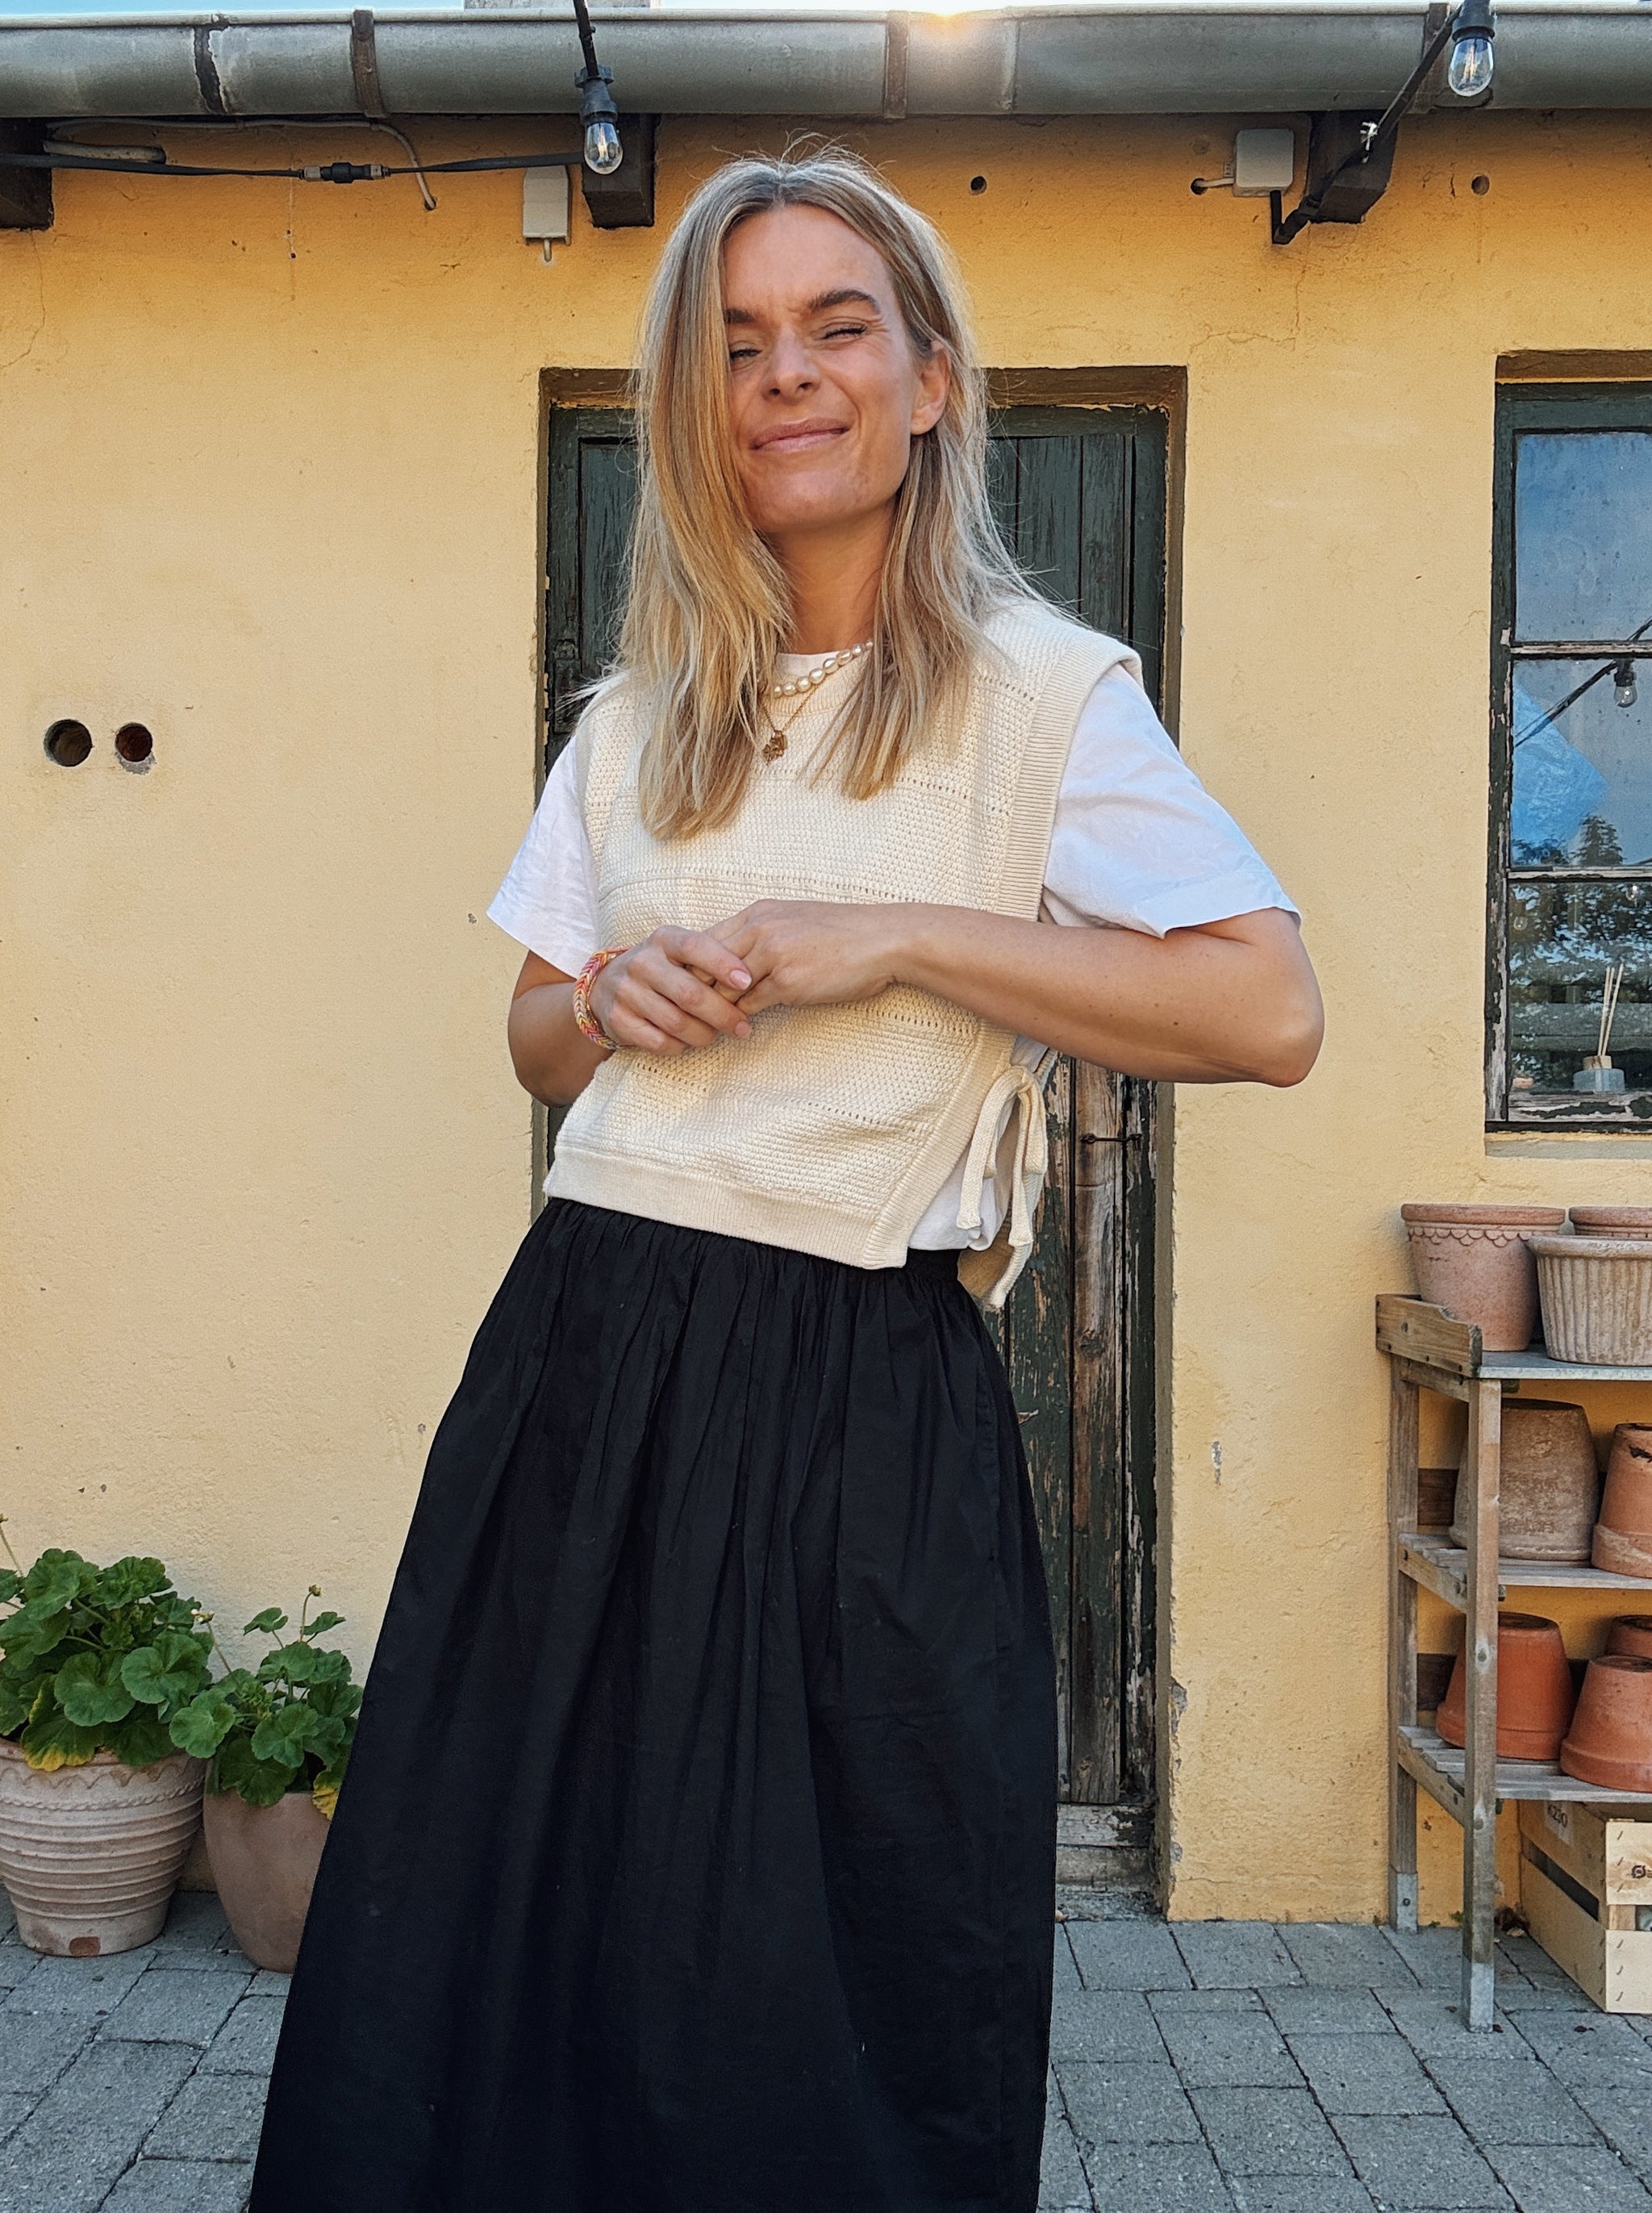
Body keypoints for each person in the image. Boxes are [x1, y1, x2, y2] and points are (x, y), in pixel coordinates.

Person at [248, 147, 1321, 2213]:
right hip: (583, 1358)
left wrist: (898, 935)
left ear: (930, 382)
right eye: (737, 345)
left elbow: (1264, 1009)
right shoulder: (637, 722)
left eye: (838, 329)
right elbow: (535, 1037)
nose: (787, 377)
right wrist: (608, 997)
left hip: (852, 1392)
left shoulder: (1043, 697)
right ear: (692, 399)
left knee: (807, 1977)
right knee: (512, 1924)